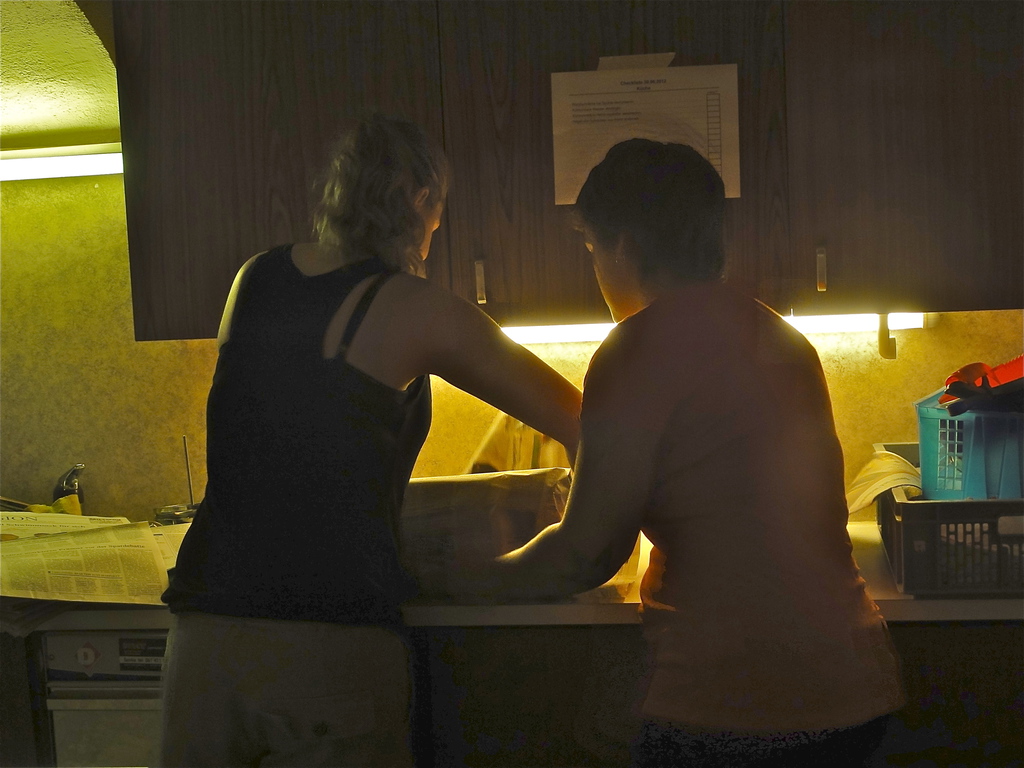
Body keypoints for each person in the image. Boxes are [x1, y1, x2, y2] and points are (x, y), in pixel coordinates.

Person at [459, 139, 906, 767]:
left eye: (593, 251)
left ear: (625, 247)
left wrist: (471, 577)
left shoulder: (633, 350)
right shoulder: (784, 338)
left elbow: (587, 552)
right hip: (853, 688)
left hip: (727, 700)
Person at [158, 114, 582, 767]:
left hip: (204, 638)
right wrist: (577, 546)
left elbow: (283, 438)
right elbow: (580, 419)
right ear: (420, 199)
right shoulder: (413, 306)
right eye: (437, 214)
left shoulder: (253, 277)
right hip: (328, 645)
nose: (435, 232)